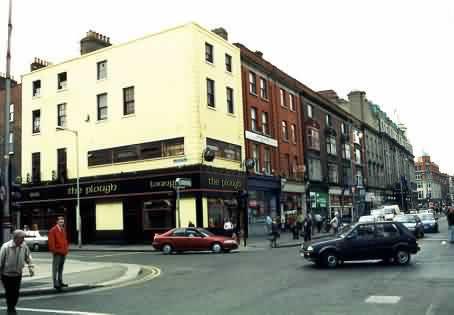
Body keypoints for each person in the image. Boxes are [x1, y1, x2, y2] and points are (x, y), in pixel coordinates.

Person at [0, 230, 34, 314]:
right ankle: (10, 309)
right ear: (15, 238)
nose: (23, 239)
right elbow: (0, 261)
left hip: (18, 273)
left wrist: (30, 267)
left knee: (15, 293)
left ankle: (12, 306)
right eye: (22, 238)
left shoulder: (24, 246)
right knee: (9, 292)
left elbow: (28, 257)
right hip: (6, 274)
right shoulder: (6, 247)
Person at [48, 216, 69, 290]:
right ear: (57, 222)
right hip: (57, 252)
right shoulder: (53, 230)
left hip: (63, 252)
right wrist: (54, 251)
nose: (61, 223)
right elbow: (51, 243)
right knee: (55, 268)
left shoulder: (63, 229)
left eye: (62, 222)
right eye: (60, 222)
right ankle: (55, 283)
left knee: (60, 268)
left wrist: (66, 250)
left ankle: (60, 281)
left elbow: (65, 240)